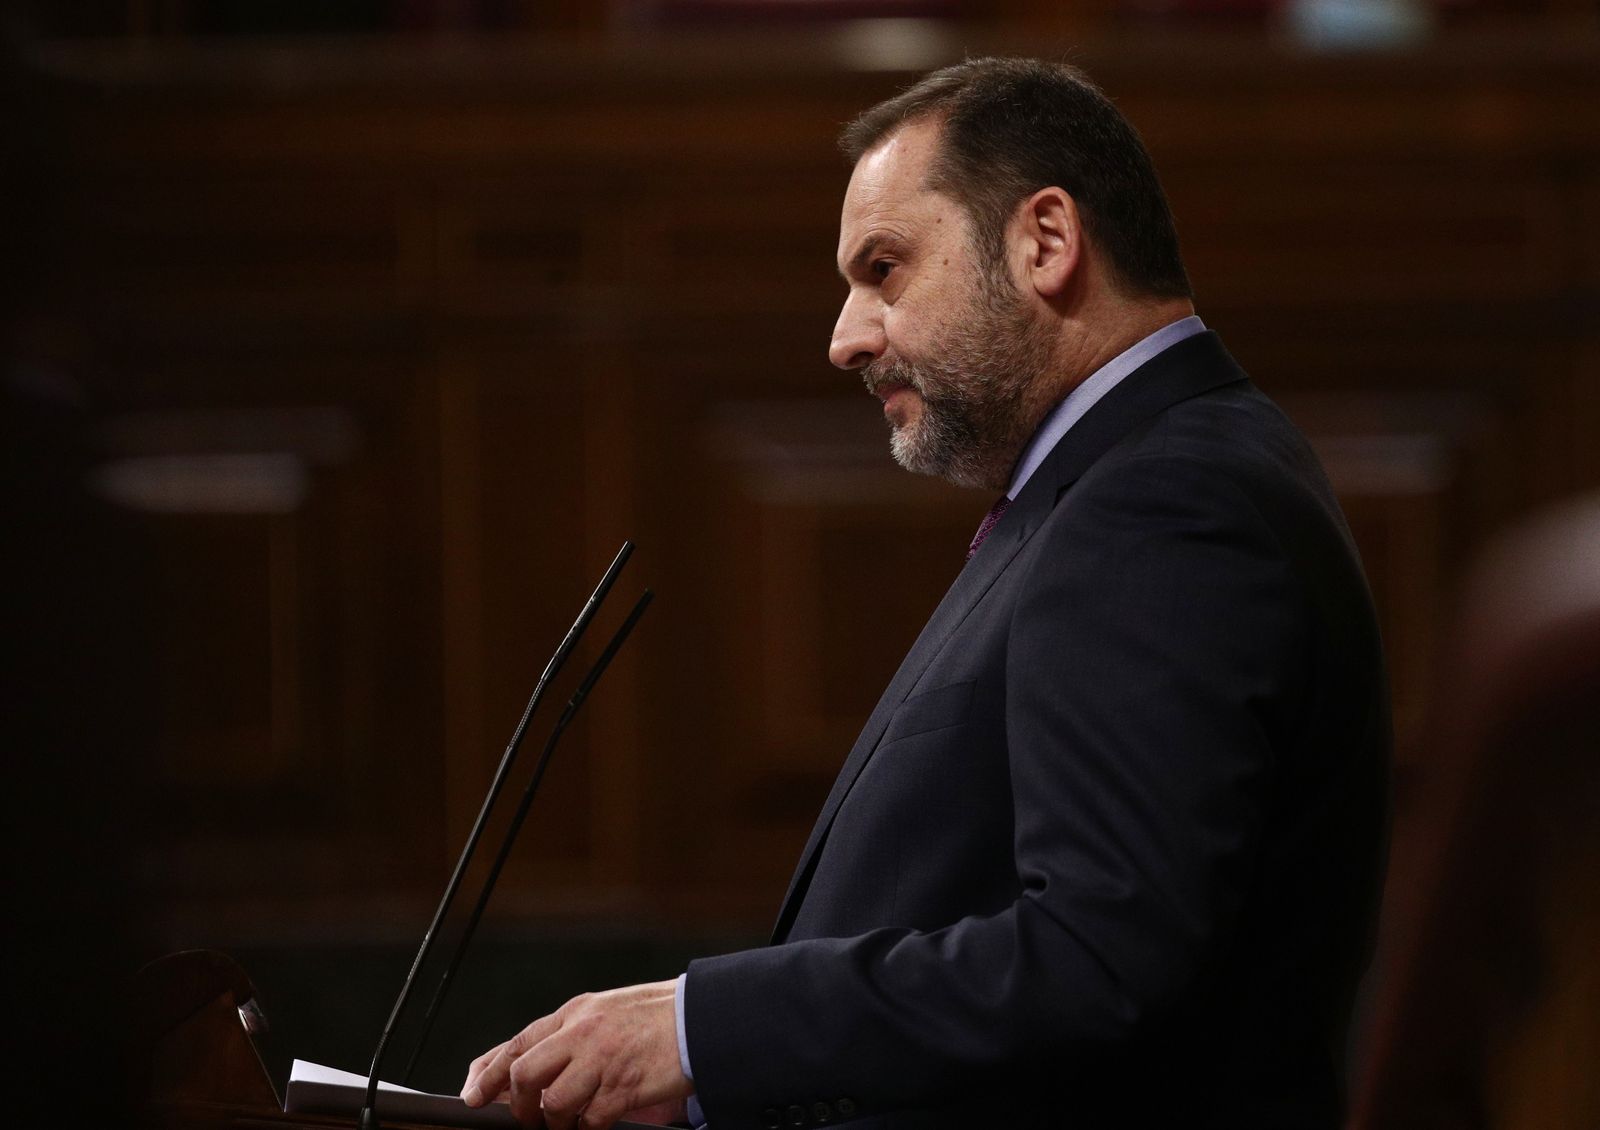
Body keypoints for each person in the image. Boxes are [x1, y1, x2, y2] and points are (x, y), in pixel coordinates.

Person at [461, 57, 1389, 1130]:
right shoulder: (1133, 481)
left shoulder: (1164, 500)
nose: (844, 335)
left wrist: (698, 1033)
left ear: (1044, 240)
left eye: (884, 268)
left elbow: (1097, 957)